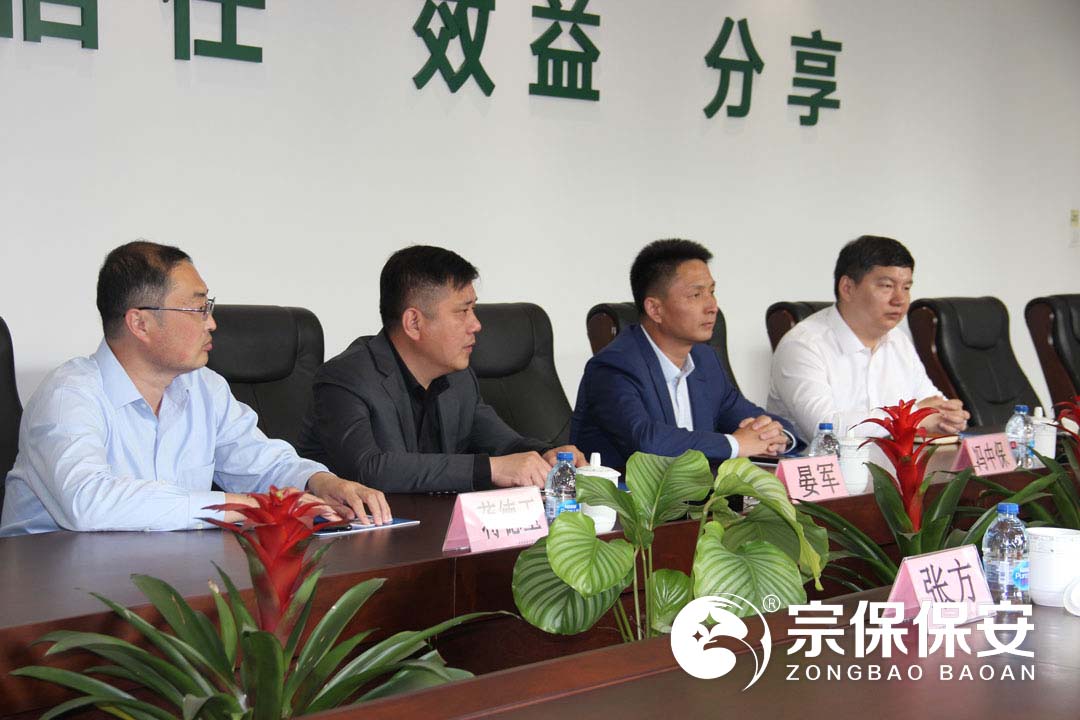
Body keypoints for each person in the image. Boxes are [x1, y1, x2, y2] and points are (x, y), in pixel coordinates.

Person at [0, 241, 390, 536]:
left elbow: (260, 462)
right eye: (198, 308)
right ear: (140, 323)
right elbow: (87, 501)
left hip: (165, 578)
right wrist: (235, 507)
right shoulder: (69, 395)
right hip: (52, 597)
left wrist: (320, 482)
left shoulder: (204, 388)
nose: (212, 323)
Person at [298, 245, 583, 493]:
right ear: (414, 323)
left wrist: (547, 453)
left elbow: (503, 444)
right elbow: (369, 468)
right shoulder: (346, 378)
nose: (476, 325)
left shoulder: (459, 379)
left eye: (473, 310)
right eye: (463, 311)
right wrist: (490, 469)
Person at [570, 239, 798, 468]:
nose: (712, 306)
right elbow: (646, 442)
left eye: (712, 292)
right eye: (696, 295)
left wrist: (777, 435)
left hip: (698, 490)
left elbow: (752, 416)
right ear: (655, 309)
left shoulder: (705, 360)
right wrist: (736, 444)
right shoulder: (613, 367)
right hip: (625, 490)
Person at [767, 235, 970, 440]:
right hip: (825, 460)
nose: (900, 300)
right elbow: (825, 429)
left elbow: (932, 403)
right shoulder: (802, 345)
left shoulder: (898, 340)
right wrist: (911, 417)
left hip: (891, 460)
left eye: (906, 288)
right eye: (887, 286)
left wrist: (949, 417)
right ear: (847, 288)